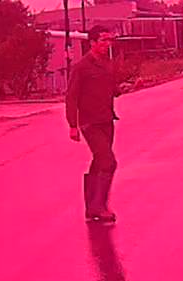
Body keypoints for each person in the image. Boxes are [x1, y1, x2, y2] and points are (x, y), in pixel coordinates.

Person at [67, 26, 124, 223]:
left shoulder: (107, 63)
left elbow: (112, 89)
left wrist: (123, 88)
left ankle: (91, 207)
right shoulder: (81, 67)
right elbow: (71, 97)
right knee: (108, 162)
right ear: (92, 43)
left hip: (106, 119)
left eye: (109, 40)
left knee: (99, 162)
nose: (107, 44)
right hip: (89, 122)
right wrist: (72, 125)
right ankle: (100, 206)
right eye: (103, 40)